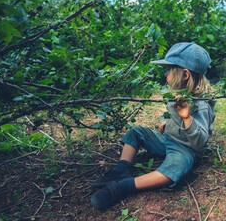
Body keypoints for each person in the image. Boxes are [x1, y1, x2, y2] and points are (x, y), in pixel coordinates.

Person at [90, 42, 216, 211]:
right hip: (168, 139)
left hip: (185, 150)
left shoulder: (201, 105)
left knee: (174, 170)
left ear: (185, 74)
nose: (166, 74)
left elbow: (200, 142)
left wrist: (187, 118)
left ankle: (124, 186)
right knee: (136, 132)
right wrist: (169, 123)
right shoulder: (179, 95)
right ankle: (122, 169)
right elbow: (175, 119)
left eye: (169, 70)